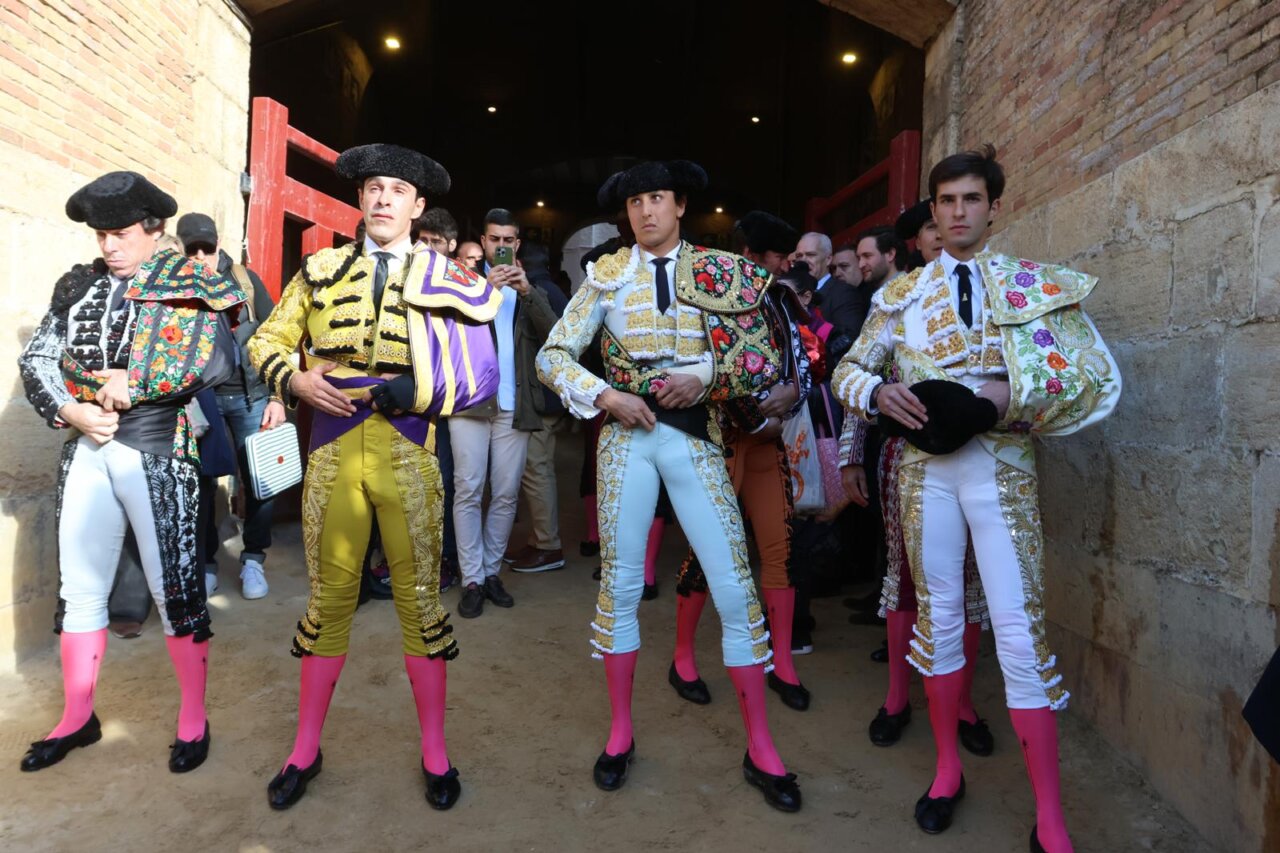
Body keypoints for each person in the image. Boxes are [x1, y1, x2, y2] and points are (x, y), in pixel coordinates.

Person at [832, 145, 1121, 850]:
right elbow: (847, 370)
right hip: (926, 474)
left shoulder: (1027, 284)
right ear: (933, 212)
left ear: (993, 207)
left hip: (1001, 468)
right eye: (947, 201)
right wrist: (878, 392)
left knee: (1020, 633)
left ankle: (1050, 817)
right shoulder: (899, 295)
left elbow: (1089, 378)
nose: (958, 212)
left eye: (971, 199)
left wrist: (1003, 394)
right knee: (940, 620)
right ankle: (946, 772)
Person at [537, 160, 801, 812]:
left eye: (656, 198)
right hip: (626, 438)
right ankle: (620, 733)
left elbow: (762, 358)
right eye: (635, 202)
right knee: (621, 586)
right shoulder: (606, 275)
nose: (645, 211)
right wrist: (605, 395)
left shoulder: (718, 270)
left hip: (697, 434)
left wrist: (703, 377)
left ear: (679, 204)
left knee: (735, 587)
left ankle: (761, 746)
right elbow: (552, 355)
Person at [249, 143, 502, 811]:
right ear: (360, 200)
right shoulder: (320, 270)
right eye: (374, 188)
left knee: (419, 603)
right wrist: (295, 379)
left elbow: (483, 374)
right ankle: (305, 748)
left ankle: (435, 751)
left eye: (398, 190)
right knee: (329, 601)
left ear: (418, 207)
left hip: (409, 447)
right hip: (332, 450)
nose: (384, 198)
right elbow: (265, 341)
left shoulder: (449, 280)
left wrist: (418, 390)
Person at [17, 171, 243, 774]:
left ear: (154, 229)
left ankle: (193, 718)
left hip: (159, 445)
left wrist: (136, 382)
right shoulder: (79, 285)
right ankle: (77, 716)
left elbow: (217, 358)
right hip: (85, 446)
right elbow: (39, 357)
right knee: (80, 589)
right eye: (101, 236)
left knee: (175, 589)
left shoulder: (190, 280)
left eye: (120, 234)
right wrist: (68, 409)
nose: (109, 246)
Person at [839, 225, 995, 755]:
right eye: (933, 230)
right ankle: (897, 698)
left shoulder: (992, 288)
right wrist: (850, 455)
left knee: (969, 580)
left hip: (979, 454)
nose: (943, 238)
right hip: (905, 455)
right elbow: (863, 374)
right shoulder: (897, 298)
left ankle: (963, 703)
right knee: (904, 574)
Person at [670, 210, 814, 712]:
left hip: (767, 445)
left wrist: (793, 394)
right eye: (779, 256)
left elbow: (802, 363)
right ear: (750, 255)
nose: (787, 264)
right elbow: (704, 370)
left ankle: (783, 662)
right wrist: (757, 422)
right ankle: (682, 657)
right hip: (723, 440)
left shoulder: (779, 297)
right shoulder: (709, 297)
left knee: (780, 549)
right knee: (706, 553)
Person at [450, 209, 558, 617]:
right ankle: (472, 578)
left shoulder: (529, 289)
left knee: (507, 493)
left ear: (517, 244)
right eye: (494, 239)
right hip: (470, 402)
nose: (500, 246)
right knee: (468, 489)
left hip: (516, 404)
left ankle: (491, 572)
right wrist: (484, 290)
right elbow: (448, 332)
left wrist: (527, 291)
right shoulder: (463, 283)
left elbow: (555, 334)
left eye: (508, 240)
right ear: (483, 241)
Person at [177, 212, 285, 599]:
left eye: (207, 248)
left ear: (218, 244)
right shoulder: (176, 287)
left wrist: (278, 396)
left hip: (251, 397)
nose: (201, 257)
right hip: (201, 401)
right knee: (201, 484)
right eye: (193, 250)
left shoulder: (244, 280)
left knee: (261, 482)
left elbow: (276, 337)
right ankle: (206, 564)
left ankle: (253, 559)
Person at [508, 240, 571, 573]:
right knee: (536, 469)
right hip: (547, 396)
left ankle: (548, 546)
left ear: (519, 261)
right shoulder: (553, 288)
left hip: (541, 399)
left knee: (537, 470)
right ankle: (539, 541)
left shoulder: (537, 291)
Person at [795, 231, 860, 337]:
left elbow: (848, 338)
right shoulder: (791, 293)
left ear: (828, 259)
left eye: (811, 255)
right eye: (799, 256)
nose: (803, 261)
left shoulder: (845, 293)